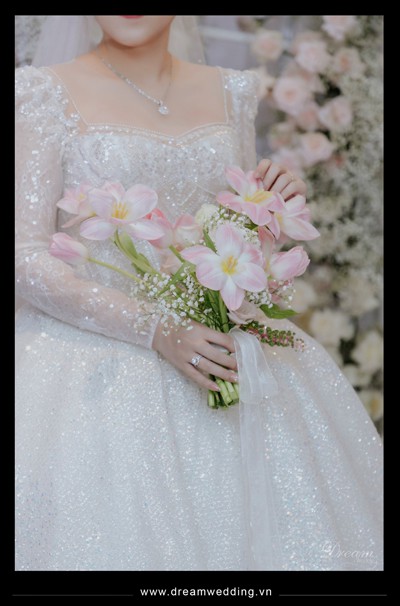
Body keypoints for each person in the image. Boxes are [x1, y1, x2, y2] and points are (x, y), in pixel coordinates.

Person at [15, 15, 383, 571]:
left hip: (222, 352)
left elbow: (228, 236)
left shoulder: (233, 91)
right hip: (93, 374)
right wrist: (155, 328)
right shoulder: (43, 92)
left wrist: (270, 212)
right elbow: (25, 256)